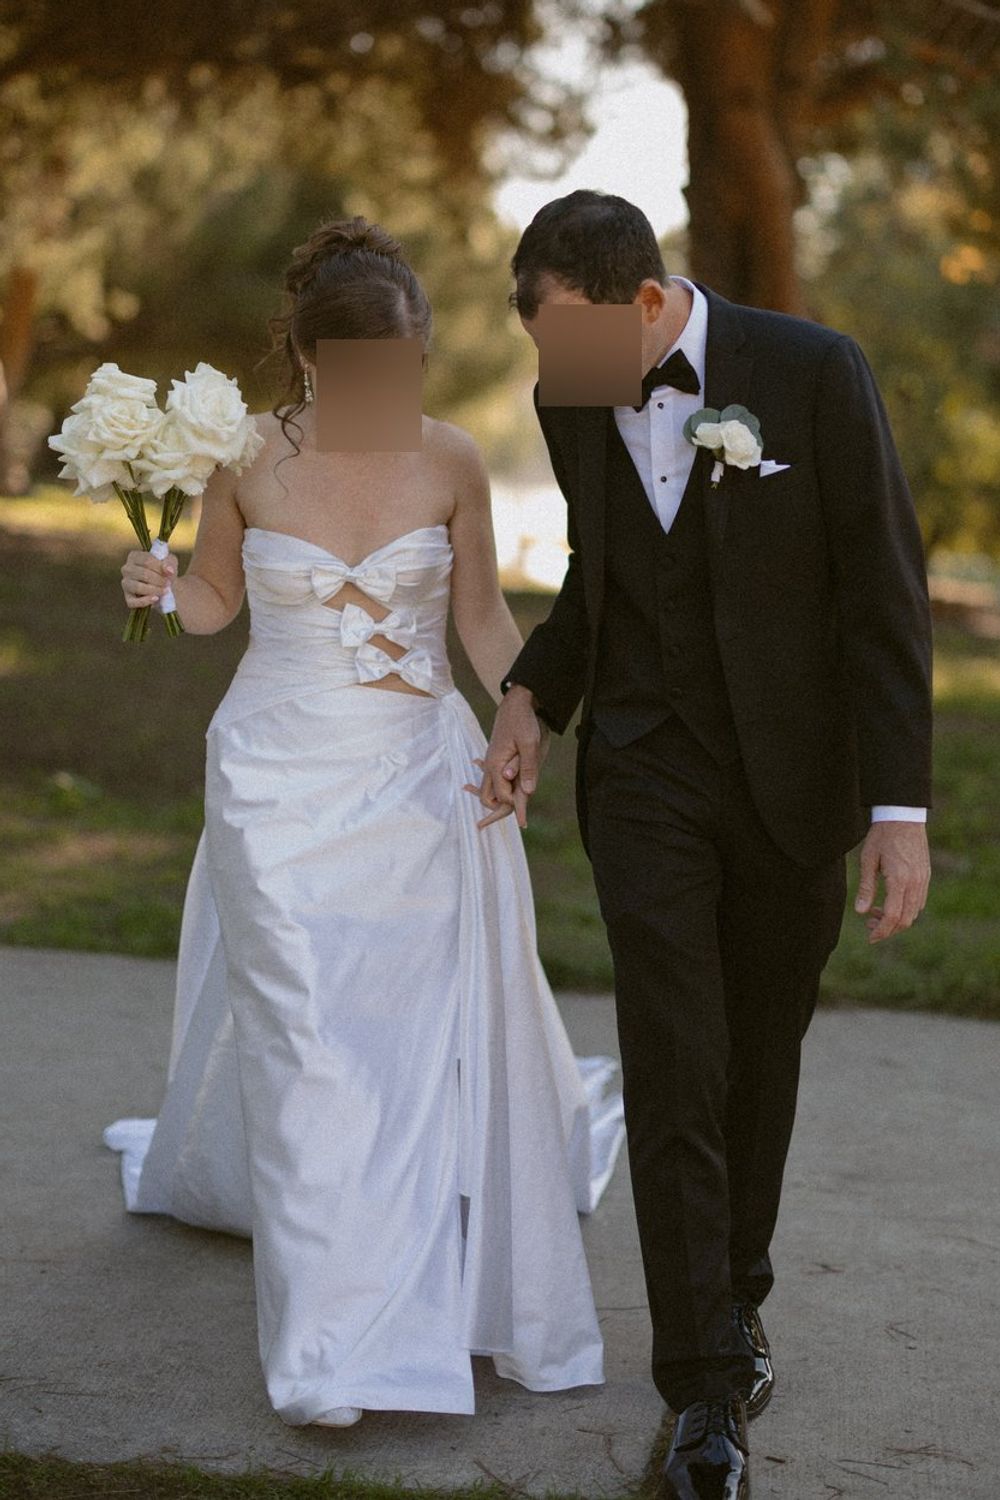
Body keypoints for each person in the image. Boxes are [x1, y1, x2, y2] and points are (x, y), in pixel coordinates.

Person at [102, 215, 625, 1430]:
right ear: (310, 358)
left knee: (391, 1046)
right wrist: (163, 585)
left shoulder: (448, 463)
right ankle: (331, 1352)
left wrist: (524, 713)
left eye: (408, 370)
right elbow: (218, 602)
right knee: (302, 1048)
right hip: (273, 782)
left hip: (413, 781)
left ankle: (399, 1276)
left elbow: (486, 621)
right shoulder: (244, 461)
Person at [479, 190, 933, 1500]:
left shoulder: (812, 372)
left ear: (644, 302)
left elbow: (884, 592)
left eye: (566, 338)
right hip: (645, 776)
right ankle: (702, 1386)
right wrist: (531, 693)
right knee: (674, 1047)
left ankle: (737, 1295)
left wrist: (896, 809)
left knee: (755, 1053)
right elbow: (596, 577)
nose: (550, 373)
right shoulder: (572, 399)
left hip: (794, 783)